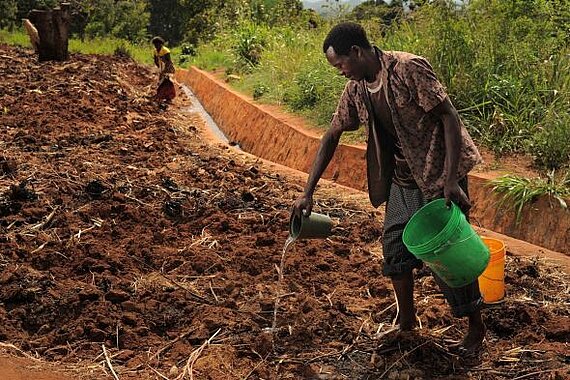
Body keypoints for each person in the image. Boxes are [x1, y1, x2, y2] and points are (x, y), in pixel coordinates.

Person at [292, 22, 485, 356]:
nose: (341, 72)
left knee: (445, 255)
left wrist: (451, 179)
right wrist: (308, 191)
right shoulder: (356, 89)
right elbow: (331, 135)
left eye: (341, 65)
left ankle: (475, 327)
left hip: (437, 174)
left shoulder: (408, 69)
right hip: (401, 180)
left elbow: (449, 117)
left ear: (357, 51)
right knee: (394, 250)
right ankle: (407, 323)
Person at [151, 36, 176, 102]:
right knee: (161, 81)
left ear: (161, 44)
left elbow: (168, 61)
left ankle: (169, 97)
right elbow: (156, 60)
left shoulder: (165, 50)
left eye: (157, 44)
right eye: (155, 45)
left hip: (167, 68)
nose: (156, 46)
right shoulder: (155, 51)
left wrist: (165, 70)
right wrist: (159, 68)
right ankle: (161, 95)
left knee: (167, 81)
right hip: (161, 67)